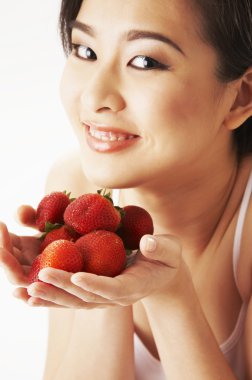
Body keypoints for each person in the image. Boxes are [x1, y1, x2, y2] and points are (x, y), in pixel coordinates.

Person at [0, 0, 252, 379]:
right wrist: (99, 283)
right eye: (86, 51)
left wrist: (171, 293)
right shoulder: (76, 189)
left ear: (240, 96)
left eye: (145, 61)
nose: (94, 97)